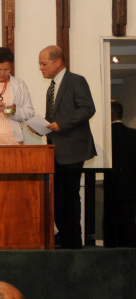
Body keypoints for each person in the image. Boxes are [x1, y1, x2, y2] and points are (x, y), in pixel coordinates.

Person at [39, 45, 97, 249]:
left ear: (57, 62)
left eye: (44, 63)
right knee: (57, 197)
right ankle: (64, 236)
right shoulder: (51, 88)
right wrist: (41, 127)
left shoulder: (76, 80)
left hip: (72, 150)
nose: (41, 68)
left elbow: (88, 108)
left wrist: (62, 124)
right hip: (55, 151)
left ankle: (73, 242)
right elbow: (53, 117)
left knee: (69, 197)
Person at [104, 100, 136, 247]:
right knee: (128, 221)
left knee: (112, 221)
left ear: (111, 113)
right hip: (130, 184)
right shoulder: (133, 134)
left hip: (111, 183)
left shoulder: (106, 135)